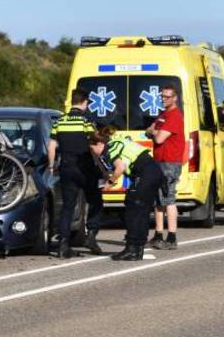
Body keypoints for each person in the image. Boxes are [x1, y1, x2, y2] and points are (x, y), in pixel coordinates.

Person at [90, 126, 165, 261]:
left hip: (145, 173)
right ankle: (137, 249)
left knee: (134, 209)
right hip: (151, 172)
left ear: (99, 144)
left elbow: (120, 167)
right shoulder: (116, 141)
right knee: (139, 209)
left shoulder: (111, 148)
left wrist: (111, 181)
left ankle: (132, 249)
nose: (94, 153)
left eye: (93, 149)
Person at [46, 89, 103, 258]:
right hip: (85, 167)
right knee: (95, 201)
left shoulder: (59, 121)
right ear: (85, 102)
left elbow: (51, 146)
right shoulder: (86, 121)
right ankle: (91, 234)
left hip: (66, 167)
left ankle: (63, 244)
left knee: (68, 206)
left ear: (72, 101)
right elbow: (94, 145)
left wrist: (51, 166)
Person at [145, 83, 185, 250]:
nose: (163, 99)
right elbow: (150, 130)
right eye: (162, 96)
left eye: (167, 97)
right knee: (158, 200)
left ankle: (172, 237)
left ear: (175, 98)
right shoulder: (163, 114)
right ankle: (158, 234)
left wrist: (155, 132)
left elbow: (159, 138)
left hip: (170, 162)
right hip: (160, 161)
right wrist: (155, 132)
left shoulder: (174, 116)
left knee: (168, 199)